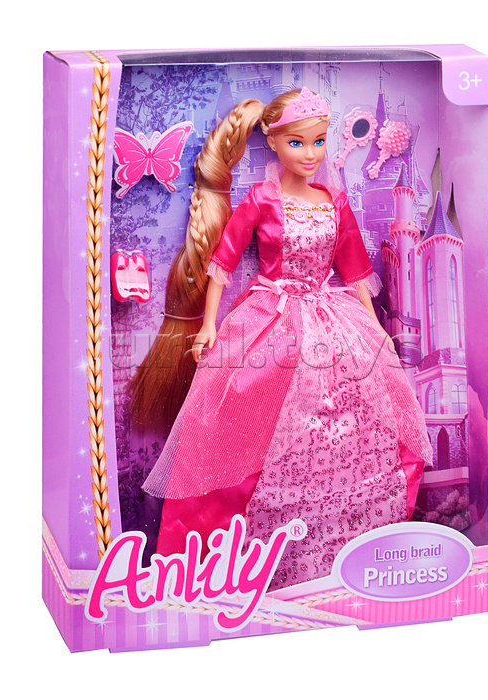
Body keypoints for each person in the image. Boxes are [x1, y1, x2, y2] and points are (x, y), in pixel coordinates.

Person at [131, 88, 432, 590]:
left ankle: (351, 550)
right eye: (298, 143)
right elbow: (223, 263)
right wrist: (209, 325)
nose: (310, 154)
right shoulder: (262, 199)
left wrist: (377, 328)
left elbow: (355, 271)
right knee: (248, 416)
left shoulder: (335, 201)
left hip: (333, 319)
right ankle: (242, 558)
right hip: (272, 320)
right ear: (273, 142)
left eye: (318, 141)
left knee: (357, 421)